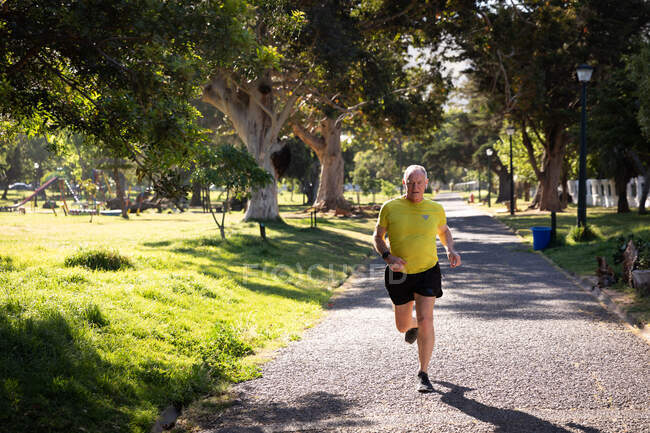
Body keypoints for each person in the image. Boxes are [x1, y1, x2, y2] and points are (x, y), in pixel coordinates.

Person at [373, 165, 461, 393]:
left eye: (419, 183)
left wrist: (450, 249)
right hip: (398, 273)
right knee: (403, 325)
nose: (415, 187)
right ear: (404, 183)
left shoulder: (435, 208)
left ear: (426, 183)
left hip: (428, 271)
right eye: (411, 182)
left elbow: (444, 231)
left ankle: (423, 373)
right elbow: (378, 236)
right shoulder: (390, 207)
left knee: (426, 320)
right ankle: (412, 326)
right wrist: (388, 256)